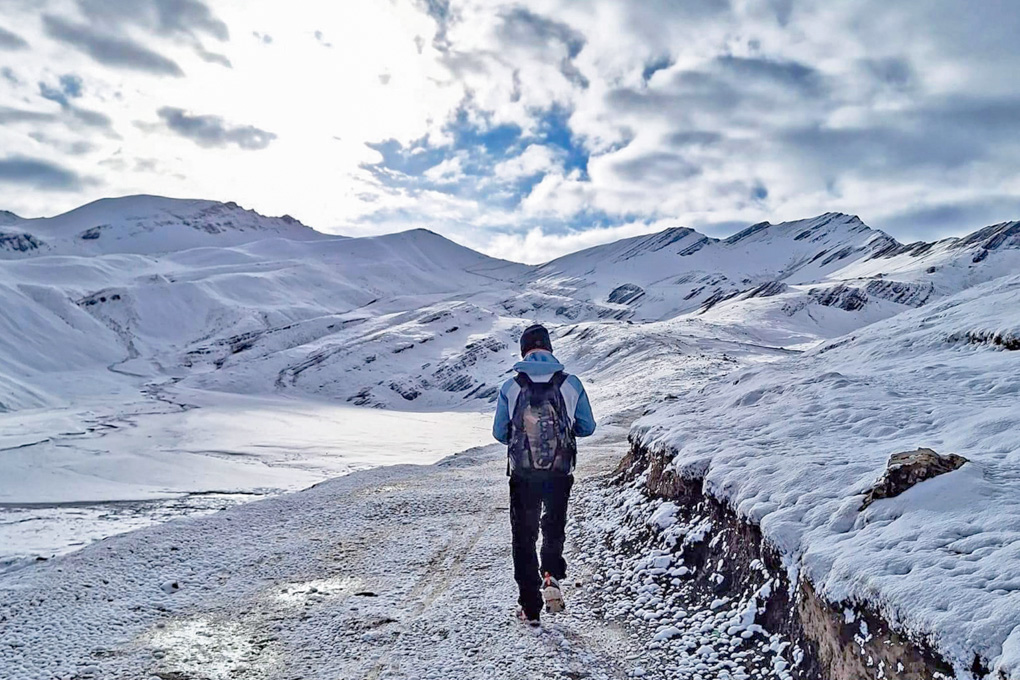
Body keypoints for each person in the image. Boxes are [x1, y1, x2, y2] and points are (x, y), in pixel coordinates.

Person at [492, 323, 596, 626]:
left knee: (523, 537)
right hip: (560, 470)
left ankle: (530, 607)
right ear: (549, 348)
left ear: (524, 350)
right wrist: (563, 433)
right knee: (553, 526)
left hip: (523, 473)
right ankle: (550, 573)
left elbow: (500, 432)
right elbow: (587, 426)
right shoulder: (571, 384)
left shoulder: (511, 387)